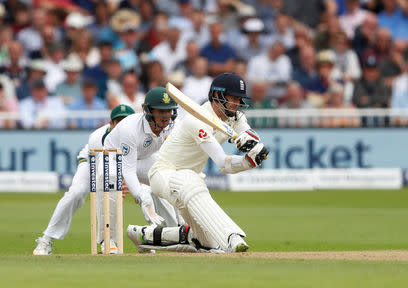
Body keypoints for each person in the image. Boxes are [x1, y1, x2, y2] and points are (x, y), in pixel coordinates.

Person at [127, 73, 269, 253]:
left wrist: (252, 151)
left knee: (203, 241)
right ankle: (232, 238)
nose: (238, 104)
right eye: (234, 98)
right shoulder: (197, 120)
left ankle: (142, 235)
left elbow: (248, 134)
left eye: (240, 99)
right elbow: (222, 163)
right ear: (218, 96)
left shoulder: (235, 117)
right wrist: (245, 162)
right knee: (188, 179)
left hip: (192, 179)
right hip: (164, 173)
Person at [33, 104, 135, 255]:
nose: (121, 126)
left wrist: (124, 181)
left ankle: (157, 237)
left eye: (126, 121)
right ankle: (46, 240)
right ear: (111, 123)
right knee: (77, 192)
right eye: (118, 122)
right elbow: (103, 175)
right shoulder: (99, 137)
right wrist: (118, 183)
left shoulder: (136, 134)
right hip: (93, 160)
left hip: (120, 165)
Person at [103, 87, 182, 236]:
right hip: (113, 160)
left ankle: (177, 232)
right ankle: (108, 240)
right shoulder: (130, 128)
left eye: (168, 111)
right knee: (114, 197)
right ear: (149, 111)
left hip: (143, 158)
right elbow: (127, 169)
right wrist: (140, 196)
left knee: (170, 183)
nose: (166, 116)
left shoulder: (175, 125)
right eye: (160, 111)